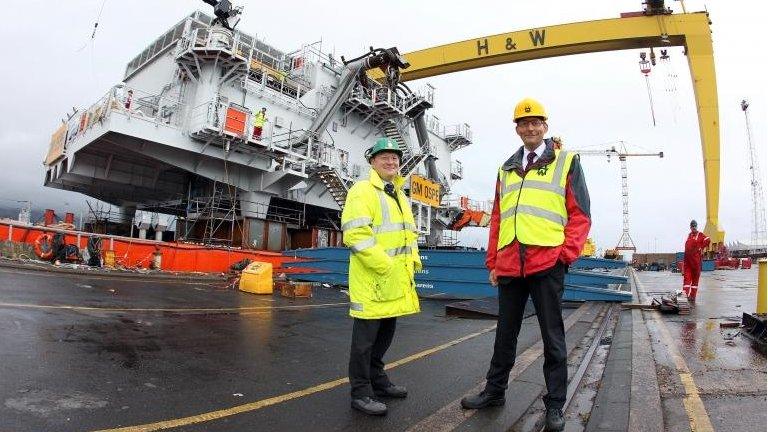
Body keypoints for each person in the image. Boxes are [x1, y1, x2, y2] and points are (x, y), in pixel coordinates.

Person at [460, 98, 591, 432]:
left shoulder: (566, 162)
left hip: (547, 263)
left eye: (536, 123)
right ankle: (495, 391)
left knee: (552, 336)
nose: (530, 128)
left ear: (545, 126)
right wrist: (493, 261)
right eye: (524, 123)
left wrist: (565, 255)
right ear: (517, 128)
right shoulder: (506, 169)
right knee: (505, 334)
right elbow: (498, 219)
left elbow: (580, 215)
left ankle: (555, 405)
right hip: (509, 264)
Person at [341, 137, 422, 416]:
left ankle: (378, 380)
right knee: (364, 343)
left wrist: (412, 266)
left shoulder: (398, 194)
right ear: (373, 162)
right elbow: (355, 234)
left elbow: (406, 237)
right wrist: (386, 266)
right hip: (373, 280)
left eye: (395, 158)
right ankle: (361, 392)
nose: (391, 162)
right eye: (384, 157)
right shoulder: (362, 191)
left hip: (396, 281)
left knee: (384, 337)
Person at [682, 219, 710, 301]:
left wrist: (701, 247)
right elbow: (687, 249)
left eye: (694, 226)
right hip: (688, 263)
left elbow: (708, 239)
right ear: (690, 227)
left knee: (695, 281)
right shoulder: (689, 235)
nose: (693, 228)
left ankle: (692, 296)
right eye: (692, 226)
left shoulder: (700, 235)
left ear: (696, 227)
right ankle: (684, 296)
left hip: (696, 263)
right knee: (686, 280)